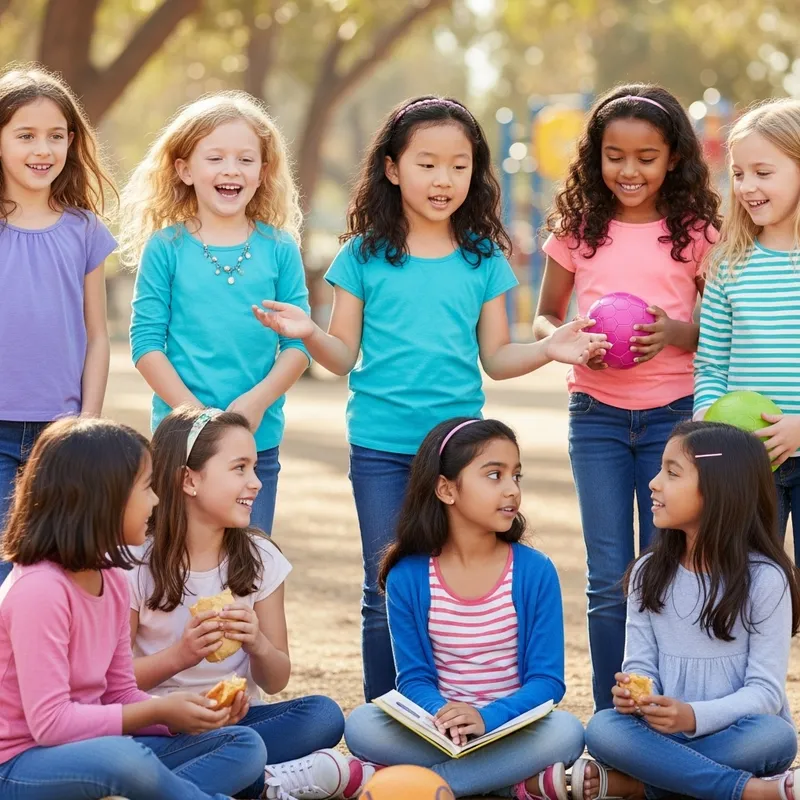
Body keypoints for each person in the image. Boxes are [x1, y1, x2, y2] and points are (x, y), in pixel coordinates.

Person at [253, 95, 608, 700]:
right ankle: (386, 718)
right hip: (381, 448)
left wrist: (551, 349)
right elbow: (341, 357)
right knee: (385, 584)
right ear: (392, 168)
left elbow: (496, 358)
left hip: (458, 455)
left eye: (459, 166)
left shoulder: (483, 260)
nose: (444, 180)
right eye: (427, 164)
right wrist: (310, 332)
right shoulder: (362, 255)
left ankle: (452, 708)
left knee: (450, 582)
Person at [534, 83, 721, 710]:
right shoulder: (577, 230)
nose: (630, 169)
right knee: (609, 576)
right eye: (616, 155)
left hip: (674, 417)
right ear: (596, 156)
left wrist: (673, 332)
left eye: (647, 156)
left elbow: (716, 327)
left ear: (673, 158)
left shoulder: (694, 232)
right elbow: (544, 317)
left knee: (664, 568)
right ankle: (615, 713)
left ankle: (664, 703)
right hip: (596, 419)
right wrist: (565, 341)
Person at [0, 417, 267, 799]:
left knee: (243, 744)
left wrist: (186, 715)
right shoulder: (39, 590)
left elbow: (120, 693)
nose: (157, 500)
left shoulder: (111, 580)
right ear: (103, 497)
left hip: (94, 747)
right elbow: (50, 724)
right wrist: (159, 711)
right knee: (125, 759)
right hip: (17, 764)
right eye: (146, 488)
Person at [129, 407, 369, 800]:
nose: (256, 483)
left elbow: (276, 680)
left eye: (255, 468)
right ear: (189, 479)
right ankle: (266, 782)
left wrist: (257, 643)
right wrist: (182, 655)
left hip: (241, 724)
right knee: (134, 748)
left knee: (322, 715)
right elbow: (113, 681)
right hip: (157, 727)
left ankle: (212, 778)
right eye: (239, 468)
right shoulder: (137, 559)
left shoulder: (260, 557)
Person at [345, 418, 585, 799]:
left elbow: (546, 682)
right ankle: (512, 783)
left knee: (567, 732)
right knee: (361, 724)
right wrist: (448, 716)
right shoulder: (407, 576)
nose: (511, 490)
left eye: (516, 476)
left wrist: (486, 718)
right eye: (494, 475)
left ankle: (423, 788)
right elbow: (413, 679)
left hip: (511, 729)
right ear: (446, 489)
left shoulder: (534, 570)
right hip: (439, 731)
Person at [575, 421, 800, 800]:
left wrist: (693, 716)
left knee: (775, 737)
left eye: (671, 472)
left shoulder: (766, 579)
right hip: (660, 732)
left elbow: (764, 692)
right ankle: (746, 791)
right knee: (603, 729)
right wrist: (636, 693)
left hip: (737, 731)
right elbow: (641, 664)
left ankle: (641, 785)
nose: (653, 482)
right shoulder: (648, 573)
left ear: (718, 490)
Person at [124, 91, 310, 535]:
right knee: (177, 564)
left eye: (246, 159)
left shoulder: (280, 248)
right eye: (215, 157)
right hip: (181, 442)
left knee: (249, 560)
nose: (231, 169)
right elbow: (146, 343)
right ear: (184, 169)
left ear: (263, 172)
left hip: (256, 440)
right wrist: (196, 415)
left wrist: (255, 403)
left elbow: (298, 345)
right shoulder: (165, 249)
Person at [0, 65, 115, 581]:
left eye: (56, 136)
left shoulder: (84, 230)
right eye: (25, 135)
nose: (42, 149)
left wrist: (86, 420)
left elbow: (97, 335)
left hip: (61, 432)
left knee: (52, 571)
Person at [695, 98, 800, 564]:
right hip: (747, 465)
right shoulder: (726, 264)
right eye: (739, 174)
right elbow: (711, 362)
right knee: (747, 583)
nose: (747, 186)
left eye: (763, 172)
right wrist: (706, 419)